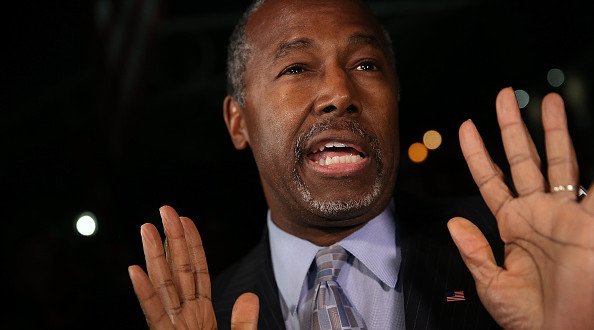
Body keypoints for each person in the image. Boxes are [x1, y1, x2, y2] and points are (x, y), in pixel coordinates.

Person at [127, 0, 594, 329]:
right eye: (297, 68)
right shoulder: (204, 316)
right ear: (237, 120)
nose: (339, 94)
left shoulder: (514, 254)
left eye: (366, 65)